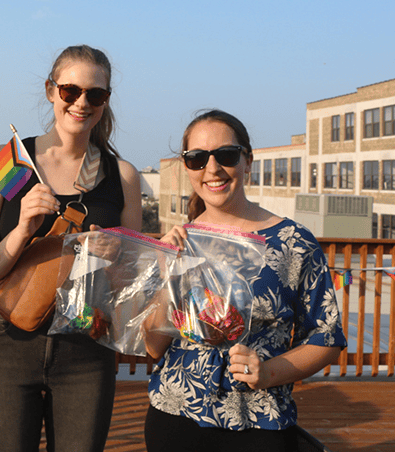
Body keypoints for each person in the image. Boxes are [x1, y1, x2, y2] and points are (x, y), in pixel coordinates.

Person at [0, 45, 142, 452]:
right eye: (70, 91)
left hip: (87, 346)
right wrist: (21, 231)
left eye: (94, 94)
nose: (82, 102)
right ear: (51, 91)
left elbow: (133, 284)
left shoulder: (123, 176)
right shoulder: (7, 162)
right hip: (7, 341)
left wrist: (116, 256)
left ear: (105, 100)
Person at [144, 109, 347, 452]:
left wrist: (268, 373)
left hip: (258, 419)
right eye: (197, 158)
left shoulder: (293, 242)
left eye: (226, 155)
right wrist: (166, 272)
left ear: (247, 162)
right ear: (188, 168)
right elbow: (154, 346)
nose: (212, 168)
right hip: (174, 413)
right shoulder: (179, 242)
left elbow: (326, 338)